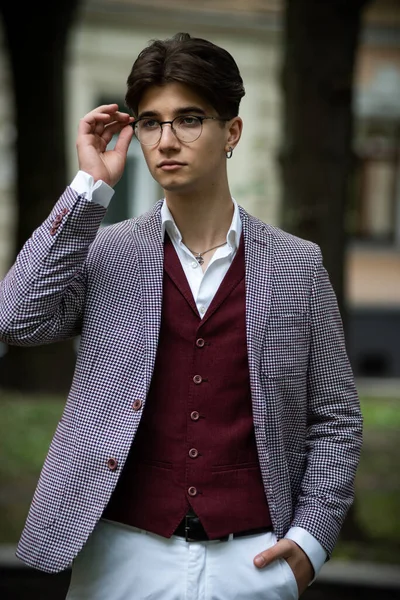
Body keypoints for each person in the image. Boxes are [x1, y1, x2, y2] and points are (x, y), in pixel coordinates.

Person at [0, 32, 362, 600]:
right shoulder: (106, 250)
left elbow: (336, 418)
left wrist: (311, 541)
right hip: (119, 550)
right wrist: (88, 187)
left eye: (189, 119)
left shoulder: (297, 265)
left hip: (254, 558)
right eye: (150, 122)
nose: (167, 140)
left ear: (231, 133)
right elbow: (17, 319)